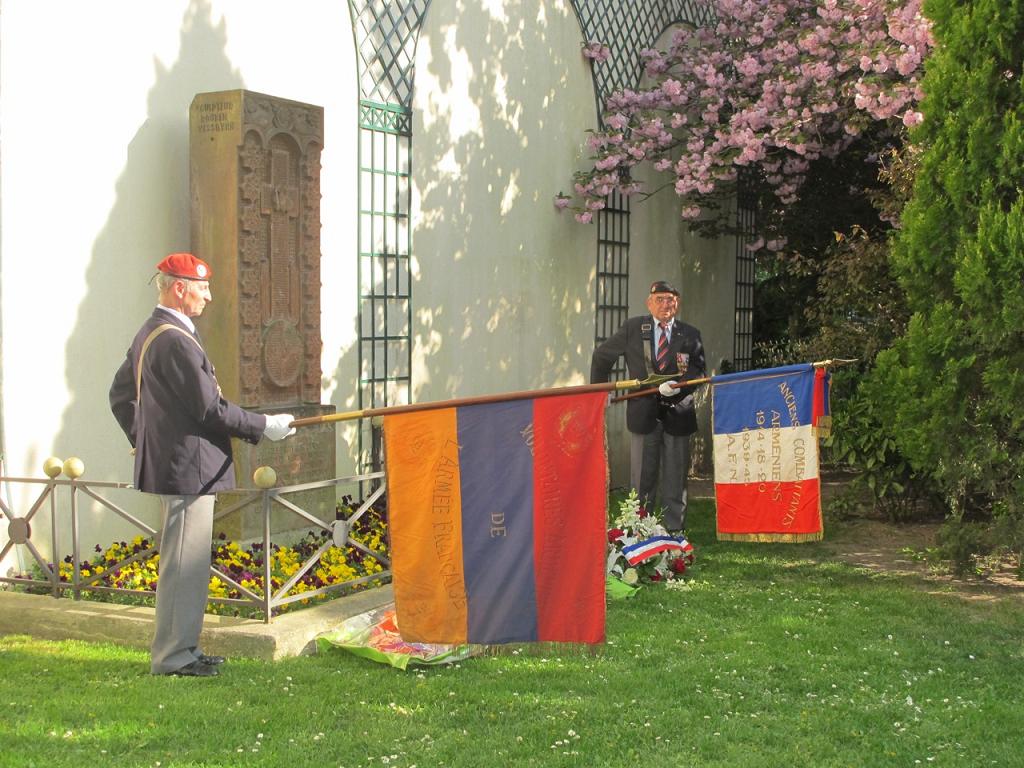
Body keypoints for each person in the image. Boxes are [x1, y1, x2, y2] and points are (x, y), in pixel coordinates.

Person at [109, 252, 297, 677]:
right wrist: (264, 425)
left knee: (186, 562)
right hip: (187, 470)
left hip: (179, 466)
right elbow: (210, 409)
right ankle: (173, 656)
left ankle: (184, 649)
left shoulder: (151, 333)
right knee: (184, 564)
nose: (209, 296)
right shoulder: (174, 338)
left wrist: (145, 440)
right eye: (203, 288)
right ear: (180, 288)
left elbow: (120, 396)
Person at [591, 280, 706, 533]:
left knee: (676, 479)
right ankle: (639, 530)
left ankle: (675, 532)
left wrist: (679, 386)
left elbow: (698, 371)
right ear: (649, 302)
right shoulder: (634, 328)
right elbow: (602, 356)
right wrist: (601, 392)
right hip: (643, 413)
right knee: (641, 479)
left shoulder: (690, 334)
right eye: (660, 299)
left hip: (679, 414)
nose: (666, 304)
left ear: (678, 303)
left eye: (671, 299)